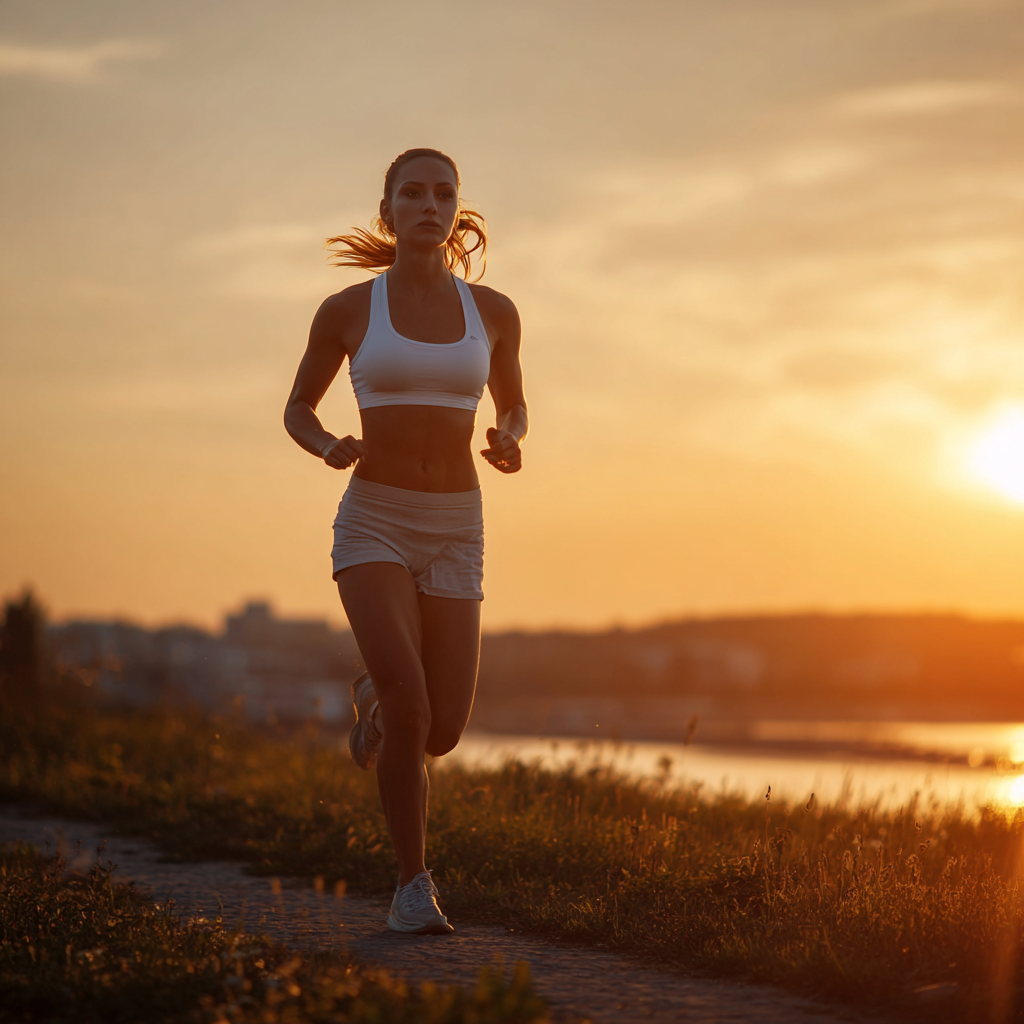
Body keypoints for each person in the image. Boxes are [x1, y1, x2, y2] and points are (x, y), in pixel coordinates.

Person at [283, 149, 527, 935]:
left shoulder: (494, 312)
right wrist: (326, 446)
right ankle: (411, 886)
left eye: (444, 192)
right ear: (388, 212)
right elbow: (297, 407)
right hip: (375, 520)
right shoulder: (349, 309)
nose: (430, 203)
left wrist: (510, 436)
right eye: (412, 193)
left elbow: (517, 406)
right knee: (414, 703)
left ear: (457, 211)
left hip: (459, 522)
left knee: (443, 731)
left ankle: (379, 706)